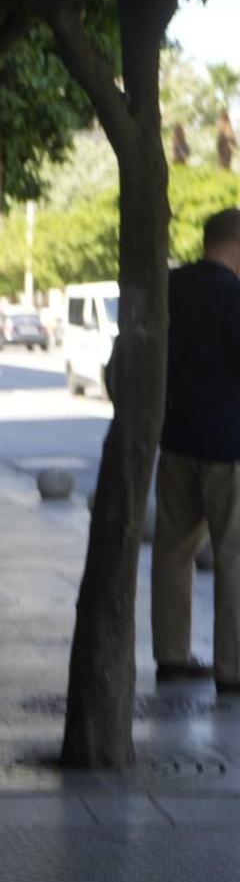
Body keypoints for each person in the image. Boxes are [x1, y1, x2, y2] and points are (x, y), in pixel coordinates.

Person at [151, 207, 240, 690]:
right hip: (229, 446)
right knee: (234, 555)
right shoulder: (233, 295)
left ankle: (171, 653)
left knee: (172, 551)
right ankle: (235, 667)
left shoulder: (171, 287)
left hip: (177, 440)